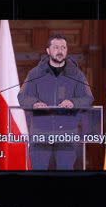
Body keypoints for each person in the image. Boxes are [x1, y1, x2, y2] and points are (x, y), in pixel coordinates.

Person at [17, 34, 94, 170]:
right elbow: (22, 96)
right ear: (48, 51)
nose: (60, 51)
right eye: (56, 47)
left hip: (67, 134)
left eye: (63, 47)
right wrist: (34, 103)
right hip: (40, 134)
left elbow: (88, 98)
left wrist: (73, 102)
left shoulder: (76, 74)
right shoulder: (35, 74)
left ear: (67, 50)